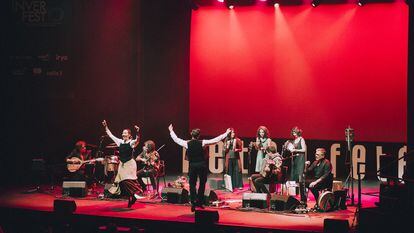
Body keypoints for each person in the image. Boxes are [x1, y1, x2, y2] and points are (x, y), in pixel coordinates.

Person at [169, 124, 231, 212]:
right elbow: (216, 140)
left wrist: (171, 131)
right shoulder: (203, 142)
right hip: (201, 165)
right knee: (202, 184)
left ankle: (193, 202)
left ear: (192, 135)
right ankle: (199, 202)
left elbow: (176, 139)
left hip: (193, 166)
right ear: (199, 136)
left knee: (192, 184)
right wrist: (226, 133)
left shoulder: (187, 143)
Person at [102, 120, 143, 208]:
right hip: (122, 164)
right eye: (122, 133)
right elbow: (111, 135)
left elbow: (137, 140)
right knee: (121, 182)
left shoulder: (131, 142)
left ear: (129, 135)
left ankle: (134, 193)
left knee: (127, 181)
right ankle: (131, 197)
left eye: (125, 133)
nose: (123, 134)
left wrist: (138, 132)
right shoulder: (119, 141)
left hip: (130, 164)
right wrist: (106, 126)